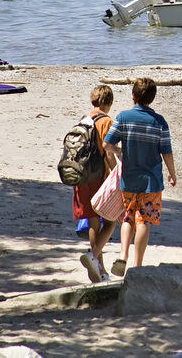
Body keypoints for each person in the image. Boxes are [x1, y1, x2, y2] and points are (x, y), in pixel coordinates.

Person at [103, 77, 176, 276]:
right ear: (152, 98)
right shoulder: (159, 122)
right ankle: (137, 264)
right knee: (143, 220)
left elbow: (107, 145)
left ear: (133, 96)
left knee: (127, 217)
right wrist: (172, 173)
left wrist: (121, 152)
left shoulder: (123, 117)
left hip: (129, 178)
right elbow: (166, 151)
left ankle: (123, 255)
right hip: (151, 181)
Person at [73, 85, 119, 283]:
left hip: (80, 175)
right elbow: (108, 151)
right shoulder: (106, 121)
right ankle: (94, 258)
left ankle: (100, 270)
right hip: (98, 176)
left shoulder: (84, 119)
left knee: (93, 222)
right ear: (108, 103)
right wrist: (116, 171)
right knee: (110, 222)